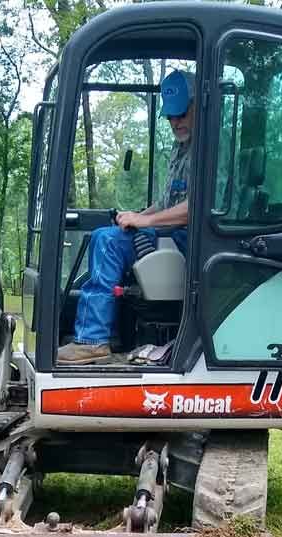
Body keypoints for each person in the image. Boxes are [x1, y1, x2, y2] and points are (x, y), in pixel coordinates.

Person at [58, 68, 195, 365]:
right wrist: (135, 215)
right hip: (171, 232)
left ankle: (92, 340)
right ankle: (103, 333)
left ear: (199, 105)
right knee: (106, 234)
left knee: (106, 241)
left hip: (194, 243)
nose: (176, 122)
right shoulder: (181, 148)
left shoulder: (211, 149)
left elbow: (196, 208)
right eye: (170, 117)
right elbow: (166, 201)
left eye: (182, 114)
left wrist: (144, 222)